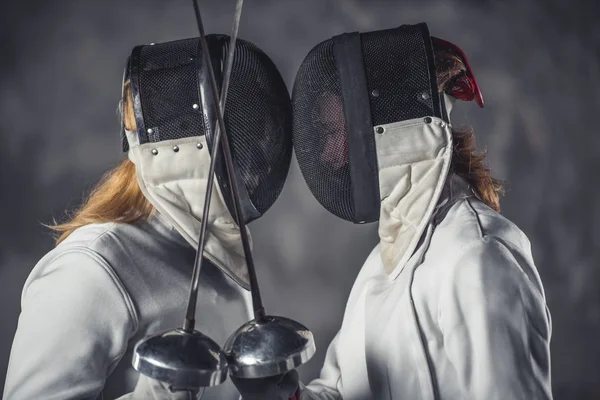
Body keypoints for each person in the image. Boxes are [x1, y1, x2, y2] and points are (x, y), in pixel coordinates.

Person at [236, 23, 553, 399]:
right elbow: (343, 390)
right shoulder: (384, 260)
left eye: (337, 131)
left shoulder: (477, 257)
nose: (328, 155)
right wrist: (288, 395)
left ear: (390, 128)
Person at [3, 34, 294, 400]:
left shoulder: (218, 257)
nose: (256, 168)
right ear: (186, 146)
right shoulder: (91, 268)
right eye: (240, 144)